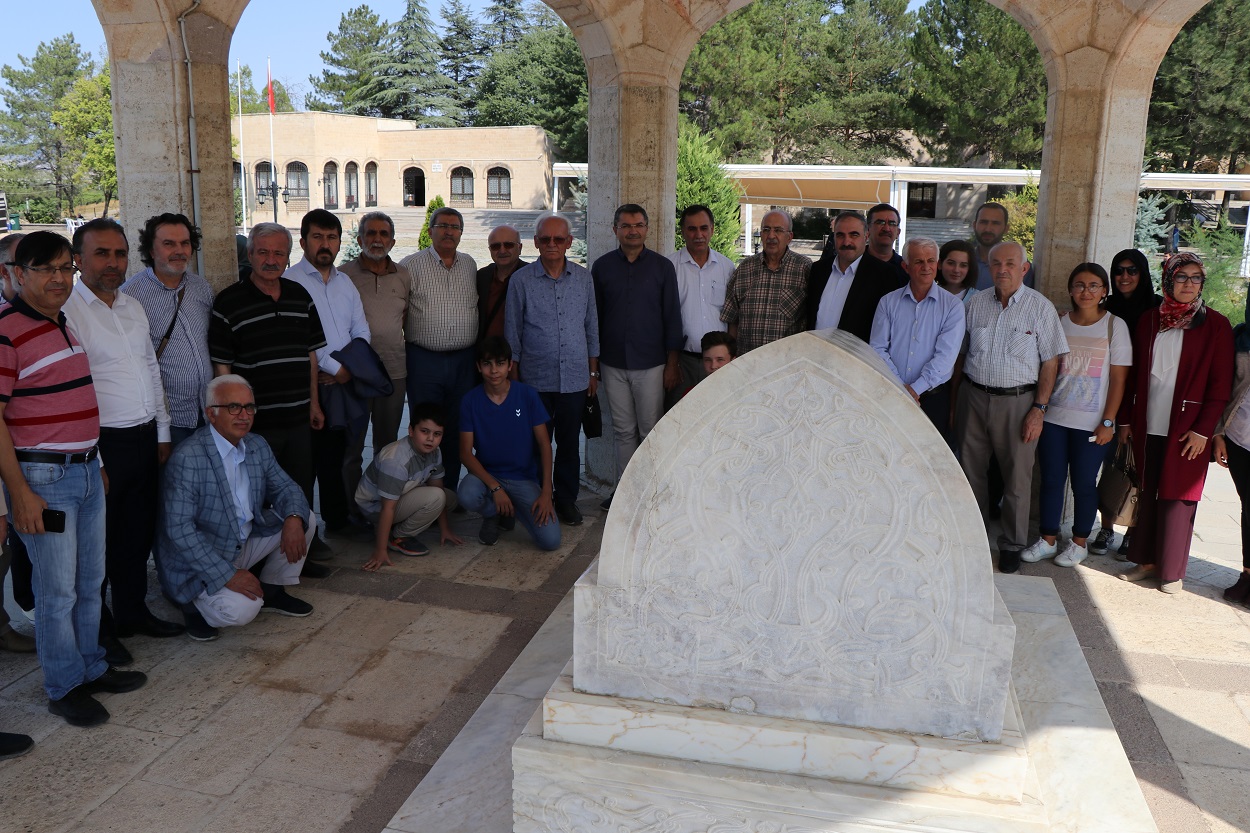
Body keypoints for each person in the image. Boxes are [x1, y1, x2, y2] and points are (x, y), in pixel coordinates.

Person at [0, 231, 147, 727]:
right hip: (45, 477)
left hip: (85, 469)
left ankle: (89, 666)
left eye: (65, 267)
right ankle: (64, 685)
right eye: (47, 270)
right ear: (19, 275)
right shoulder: (7, 330)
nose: (60, 278)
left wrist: (97, 460)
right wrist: (20, 492)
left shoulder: (62, 323)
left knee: (89, 583)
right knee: (57, 590)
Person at [65, 219, 183, 664]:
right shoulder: (70, 313)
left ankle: (133, 613)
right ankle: (101, 630)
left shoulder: (132, 306)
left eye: (119, 254)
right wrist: (92, 455)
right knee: (98, 545)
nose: (112, 263)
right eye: (101, 254)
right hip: (101, 445)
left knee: (136, 534)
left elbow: (150, 369)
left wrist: (163, 430)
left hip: (144, 435)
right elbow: (75, 389)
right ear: (78, 259)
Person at [209, 222, 331, 576]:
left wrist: (314, 403)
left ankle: (301, 552)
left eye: (278, 252)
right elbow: (223, 366)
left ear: (288, 256)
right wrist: (229, 419)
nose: (270, 259)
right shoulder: (228, 302)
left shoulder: (299, 296)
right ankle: (263, 560)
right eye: (262, 251)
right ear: (250, 255)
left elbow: (310, 355)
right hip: (253, 422)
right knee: (257, 494)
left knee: (300, 486)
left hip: (296, 415)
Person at [160, 375, 316, 640]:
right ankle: (192, 605)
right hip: (200, 559)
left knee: (305, 518)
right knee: (243, 610)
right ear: (211, 413)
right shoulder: (189, 457)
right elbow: (179, 530)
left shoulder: (256, 445)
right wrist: (227, 575)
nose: (244, 415)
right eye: (234, 407)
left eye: (249, 407)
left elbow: (287, 488)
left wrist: (292, 518)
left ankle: (274, 589)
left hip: (240, 541)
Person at [1117, 253, 1233, 594]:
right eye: (1181, 277)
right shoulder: (1150, 320)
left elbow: (1220, 385)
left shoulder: (1216, 325)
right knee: (1148, 489)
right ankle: (1145, 561)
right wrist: (1125, 419)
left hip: (1188, 428)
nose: (1188, 284)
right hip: (1148, 420)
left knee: (1178, 496)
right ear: (1168, 280)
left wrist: (1203, 430)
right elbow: (1134, 373)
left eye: (1196, 278)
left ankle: (1171, 571)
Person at [955, 241, 1068, 573]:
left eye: (1009, 263)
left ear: (1023, 268)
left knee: (1017, 479)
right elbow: (961, 356)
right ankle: (973, 539)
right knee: (970, 473)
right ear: (988, 268)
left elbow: (1051, 363)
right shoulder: (975, 304)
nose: (1002, 269)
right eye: (995, 264)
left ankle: (1011, 544)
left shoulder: (1040, 308)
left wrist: (1039, 409)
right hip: (973, 397)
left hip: (1019, 403)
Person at [1018, 264, 1131, 568]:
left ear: (1104, 291)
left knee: (1083, 483)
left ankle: (1079, 542)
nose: (1086, 291)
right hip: (1054, 417)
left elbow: (1119, 380)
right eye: (1079, 285)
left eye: (1094, 285)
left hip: (1092, 424)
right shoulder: (1058, 322)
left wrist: (1109, 421)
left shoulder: (1114, 326)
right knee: (1051, 480)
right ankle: (1048, 540)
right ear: (1070, 290)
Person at [505, 212, 599, 526]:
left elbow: (591, 326)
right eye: (545, 239)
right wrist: (513, 376)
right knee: (533, 442)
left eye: (559, 239)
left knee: (570, 443)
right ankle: (532, 499)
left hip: (574, 378)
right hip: (533, 380)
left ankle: (566, 500)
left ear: (569, 242)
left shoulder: (584, 278)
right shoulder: (521, 280)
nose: (552, 244)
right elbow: (512, 330)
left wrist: (592, 372)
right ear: (536, 243)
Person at [285, 209, 371, 539]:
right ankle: (304, 533)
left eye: (332, 238)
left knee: (335, 457)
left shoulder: (344, 282)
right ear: (304, 241)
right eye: (318, 237)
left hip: (342, 384)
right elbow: (301, 336)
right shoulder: (291, 282)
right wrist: (336, 369)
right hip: (309, 386)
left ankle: (336, 520)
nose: (325, 244)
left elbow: (360, 329)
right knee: (304, 465)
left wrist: (350, 368)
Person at [592, 204, 681, 507]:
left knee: (650, 430)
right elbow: (595, 319)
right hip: (612, 362)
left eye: (638, 225)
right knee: (622, 430)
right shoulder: (602, 267)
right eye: (626, 225)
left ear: (647, 228)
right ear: (615, 229)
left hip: (651, 363)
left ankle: (652, 491)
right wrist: (594, 365)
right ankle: (625, 493)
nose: (632, 231)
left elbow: (672, 317)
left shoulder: (662, 267)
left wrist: (671, 363)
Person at [1088, 247, 1162, 557]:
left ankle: (1132, 531)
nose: (1125, 276)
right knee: (1110, 467)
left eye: (1132, 270)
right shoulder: (1107, 309)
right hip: (1109, 399)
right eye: (1119, 270)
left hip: (1146, 400)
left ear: (1143, 273)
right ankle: (1106, 529)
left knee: (1138, 470)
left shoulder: (1158, 309)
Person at [400, 206, 478, 490]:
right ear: (430, 230)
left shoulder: (470, 265)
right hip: (424, 361)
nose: (448, 231)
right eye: (442, 225)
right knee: (425, 427)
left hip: (463, 361)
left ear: (460, 233)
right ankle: (423, 492)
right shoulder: (411, 265)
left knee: (457, 426)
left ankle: (448, 491)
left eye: (454, 226)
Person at [458, 336, 560, 551]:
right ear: (478, 367)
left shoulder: (527, 395)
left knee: (551, 541)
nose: (494, 370)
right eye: (487, 364)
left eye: (500, 363)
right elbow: (466, 453)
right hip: (487, 476)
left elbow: (544, 444)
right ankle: (493, 512)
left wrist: (546, 492)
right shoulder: (470, 401)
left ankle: (511, 510)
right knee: (467, 493)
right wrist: (495, 488)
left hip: (523, 478)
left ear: (509, 365)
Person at [121, 213, 215, 447]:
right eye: (168, 244)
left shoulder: (202, 288)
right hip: (168, 423)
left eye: (185, 243)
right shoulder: (130, 296)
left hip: (208, 415)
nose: (179, 250)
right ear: (151, 251)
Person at [340, 212, 409, 513]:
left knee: (387, 447)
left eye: (383, 234)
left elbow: (406, 319)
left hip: (393, 374)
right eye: (370, 233)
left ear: (392, 240)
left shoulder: (404, 275)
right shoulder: (343, 276)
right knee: (351, 447)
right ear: (359, 239)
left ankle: (382, 508)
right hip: (355, 376)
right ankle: (350, 510)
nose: (377, 239)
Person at [868, 238, 965, 434]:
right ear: (905, 266)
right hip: (891, 392)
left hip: (933, 398)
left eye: (931, 261)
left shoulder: (952, 306)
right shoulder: (888, 302)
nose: (926, 267)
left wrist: (914, 390)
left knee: (929, 459)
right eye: (918, 261)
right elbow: (877, 348)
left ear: (937, 265)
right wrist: (900, 387)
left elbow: (945, 357)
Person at [357, 402, 462, 569]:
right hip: (375, 507)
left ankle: (401, 525)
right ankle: (398, 536)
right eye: (424, 431)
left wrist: (445, 529)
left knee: (450, 499)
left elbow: (438, 486)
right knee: (436, 498)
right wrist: (380, 550)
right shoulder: (396, 461)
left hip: (402, 494)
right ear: (411, 430)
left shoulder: (435, 451)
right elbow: (387, 508)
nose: (430, 439)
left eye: (437, 434)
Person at [720, 210, 811, 354]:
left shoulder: (804, 268)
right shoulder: (745, 269)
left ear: (790, 237)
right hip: (747, 363)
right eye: (766, 230)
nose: (771, 236)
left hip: (786, 363)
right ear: (761, 235)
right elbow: (732, 319)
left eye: (778, 230)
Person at [668, 205, 734, 404]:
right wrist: (671, 364)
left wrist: (730, 359)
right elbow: (664, 319)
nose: (698, 234)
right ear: (683, 231)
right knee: (679, 419)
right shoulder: (669, 267)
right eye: (692, 229)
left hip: (718, 365)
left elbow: (733, 316)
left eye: (703, 228)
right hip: (682, 362)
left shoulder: (727, 267)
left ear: (712, 230)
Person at [805, 211, 898, 343]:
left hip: (856, 359)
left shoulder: (885, 275)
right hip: (815, 354)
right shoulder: (818, 270)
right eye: (840, 235)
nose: (846, 241)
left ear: (867, 236)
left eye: (854, 235)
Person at [1212, 290, 1250, 605]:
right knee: (1248, 509)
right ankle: (1247, 575)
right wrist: (1218, 433)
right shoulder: (1240, 338)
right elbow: (1225, 388)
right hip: (1239, 436)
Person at [477, 225, 526, 342]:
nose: (502, 250)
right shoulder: (481, 277)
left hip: (521, 356)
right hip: (486, 355)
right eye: (495, 246)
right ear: (490, 250)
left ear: (520, 248)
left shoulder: (532, 278)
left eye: (508, 245)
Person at [971, 203, 1035, 290]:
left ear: (1006, 228)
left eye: (995, 223)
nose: (988, 229)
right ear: (974, 225)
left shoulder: (1019, 265)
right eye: (983, 222)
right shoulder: (961, 263)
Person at [864, 203, 909, 287]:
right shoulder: (854, 264)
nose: (886, 228)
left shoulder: (905, 269)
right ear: (868, 229)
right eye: (880, 222)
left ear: (898, 233)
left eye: (892, 223)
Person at [936, 239, 979, 305]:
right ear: (940, 264)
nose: (956, 270)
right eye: (951, 263)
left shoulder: (978, 298)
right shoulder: (927, 294)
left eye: (963, 265)